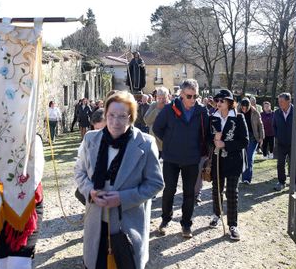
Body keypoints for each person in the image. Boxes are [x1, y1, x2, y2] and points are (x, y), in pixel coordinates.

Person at [74, 91, 164, 269]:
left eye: (122, 116)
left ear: (131, 116)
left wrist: (122, 198)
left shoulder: (145, 143)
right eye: (111, 115)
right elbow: (80, 172)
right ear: (105, 114)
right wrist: (89, 191)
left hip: (127, 225)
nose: (115, 122)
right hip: (96, 223)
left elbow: (155, 183)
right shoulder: (91, 139)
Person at [153, 79, 209, 238]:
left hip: (192, 159)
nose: (193, 99)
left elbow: (207, 134)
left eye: (195, 96)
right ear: (181, 94)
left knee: (189, 193)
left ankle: (186, 224)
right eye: (189, 96)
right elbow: (157, 127)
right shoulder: (170, 109)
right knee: (169, 190)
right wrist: (169, 142)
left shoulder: (202, 111)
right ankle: (165, 220)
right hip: (171, 158)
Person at [0, 134, 45, 269]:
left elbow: (34, 177)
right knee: (2, 261)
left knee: (18, 264)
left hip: (26, 209)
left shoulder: (33, 138)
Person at [207, 89, 248, 241]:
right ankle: (217, 214)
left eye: (221, 101)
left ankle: (232, 225)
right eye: (217, 100)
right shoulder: (212, 118)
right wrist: (214, 141)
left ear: (230, 103)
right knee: (217, 190)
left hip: (234, 161)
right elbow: (207, 139)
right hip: (218, 161)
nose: (218, 103)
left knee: (232, 193)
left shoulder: (238, 118)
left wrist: (224, 143)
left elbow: (244, 141)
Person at [239, 98, 264, 184]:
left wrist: (261, 138)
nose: (244, 110)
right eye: (243, 108)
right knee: (243, 158)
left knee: (249, 158)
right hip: (242, 138)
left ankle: (247, 179)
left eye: (246, 108)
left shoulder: (255, 113)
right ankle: (243, 178)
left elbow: (260, 126)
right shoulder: (237, 112)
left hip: (253, 137)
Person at [273, 93, 295, 191]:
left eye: (281, 101)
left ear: (288, 101)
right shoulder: (277, 112)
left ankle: (294, 184)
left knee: (294, 164)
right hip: (281, 143)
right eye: (279, 101)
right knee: (280, 164)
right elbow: (274, 126)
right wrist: (278, 136)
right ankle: (281, 182)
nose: (280, 103)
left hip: (294, 144)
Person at [144, 86, 170, 157]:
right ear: (156, 97)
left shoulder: (171, 106)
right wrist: (157, 110)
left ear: (168, 97)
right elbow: (147, 121)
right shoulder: (153, 105)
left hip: (167, 143)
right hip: (155, 142)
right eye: (159, 98)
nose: (161, 100)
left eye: (163, 98)